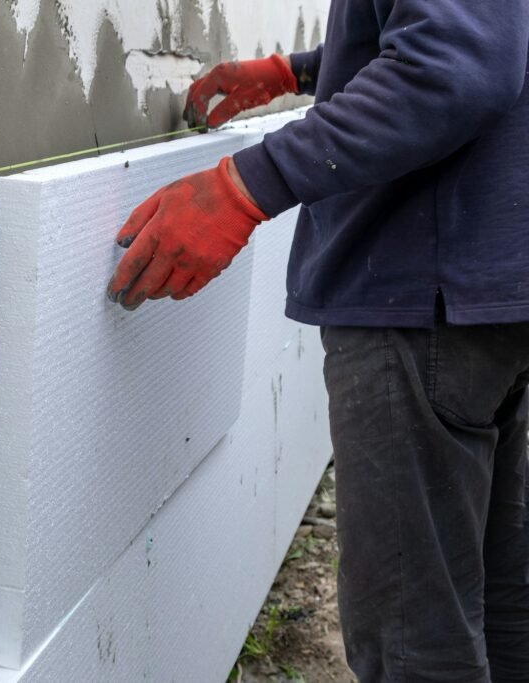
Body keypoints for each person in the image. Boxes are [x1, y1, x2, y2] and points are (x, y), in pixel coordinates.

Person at [107, 2, 529, 681]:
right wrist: (297, 70)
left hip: (419, 293)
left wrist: (244, 185)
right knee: (494, 593)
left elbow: (456, 63)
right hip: (480, 286)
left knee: (417, 643)